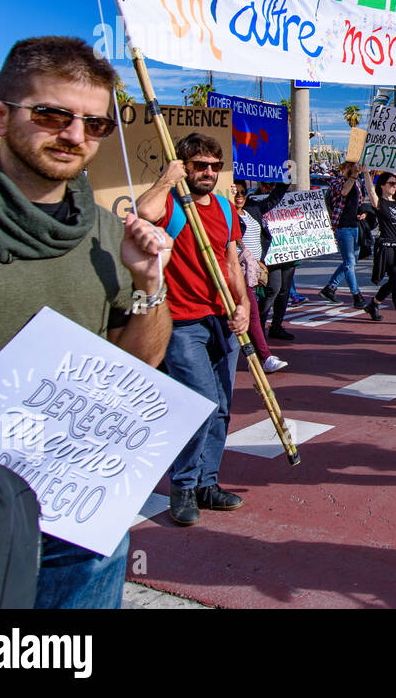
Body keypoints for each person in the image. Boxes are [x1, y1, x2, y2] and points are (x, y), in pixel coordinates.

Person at [0, 35, 172, 608]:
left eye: (95, 125)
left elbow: (138, 362)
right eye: (51, 114)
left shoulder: (108, 233)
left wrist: (150, 284)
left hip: (80, 520)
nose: (74, 135)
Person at [137, 133, 251, 527]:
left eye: (214, 166)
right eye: (199, 165)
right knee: (200, 402)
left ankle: (207, 483)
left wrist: (244, 304)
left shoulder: (224, 207)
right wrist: (167, 179)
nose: (207, 172)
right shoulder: (171, 203)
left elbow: (233, 263)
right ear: (185, 166)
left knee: (221, 407)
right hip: (181, 322)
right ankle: (182, 486)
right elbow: (142, 210)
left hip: (221, 317)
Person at [232, 180, 287, 373]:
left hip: (255, 269)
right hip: (238, 270)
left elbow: (273, 200)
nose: (239, 196)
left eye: (242, 192)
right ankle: (265, 357)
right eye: (235, 192)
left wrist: (286, 178)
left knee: (267, 296)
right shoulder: (228, 215)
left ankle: (254, 350)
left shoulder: (252, 210)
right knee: (252, 313)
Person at [247, 181, 299, 341]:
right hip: (270, 253)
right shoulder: (252, 202)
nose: (270, 188)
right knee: (273, 290)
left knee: (284, 291)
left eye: (273, 185)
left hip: (287, 249)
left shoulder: (289, 197)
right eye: (268, 185)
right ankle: (260, 325)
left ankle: (276, 326)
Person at [364, 171, 396, 324]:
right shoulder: (380, 203)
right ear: (382, 185)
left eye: (395, 183)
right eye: (391, 183)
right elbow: (370, 190)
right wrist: (366, 173)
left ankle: (374, 304)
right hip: (388, 248)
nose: (394, 186)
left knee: (394, 281)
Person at [319, 161, 374, 307]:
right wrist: (354, 175)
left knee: (351, 262)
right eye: (350, 166)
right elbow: (343, 191)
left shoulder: (357, 183)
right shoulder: (336, 182)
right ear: (344, 168)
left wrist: (363, 213)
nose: (353, 168)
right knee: (350, 262)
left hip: (355, 226)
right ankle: (357, 295)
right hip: (342, 227)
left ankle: (330, 287)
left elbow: (359, 202)